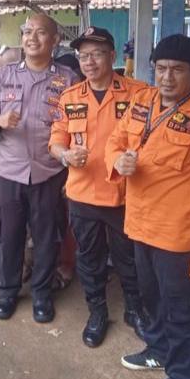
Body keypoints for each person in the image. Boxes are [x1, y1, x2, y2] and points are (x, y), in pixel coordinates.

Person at [106, 34, 190, 379]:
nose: (166, 77)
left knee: (180, 308)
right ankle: (158, 350)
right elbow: (116, 139)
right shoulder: (142, 100)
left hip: (177, 232)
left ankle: (181, 376)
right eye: (161, 68)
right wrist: (117, 160)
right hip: (138, 223)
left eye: (177, 70)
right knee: (149, 296)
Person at [49, 28, 149, 348]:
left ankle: (135, 309)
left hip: (124, 195)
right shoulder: (69, 97)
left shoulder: (138, 93)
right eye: (83, 55)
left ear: (113, 56)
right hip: (83, 194)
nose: (89, 61)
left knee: (129, 257)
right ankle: (97, 312)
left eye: (96, 54)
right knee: (89, 258)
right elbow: (56, 140)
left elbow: (152, 139)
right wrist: (65, 155)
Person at [0, 13, 75, 323]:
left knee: (46, 236)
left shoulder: (68, 79)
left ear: (55, 40)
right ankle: (7, 291)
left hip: (49, 171)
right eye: (27, 31)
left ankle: (42, 294)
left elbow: (77, 125)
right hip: (10, 171)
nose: (32, 37)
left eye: (40, 32)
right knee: (9, 234)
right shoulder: (5, 75)